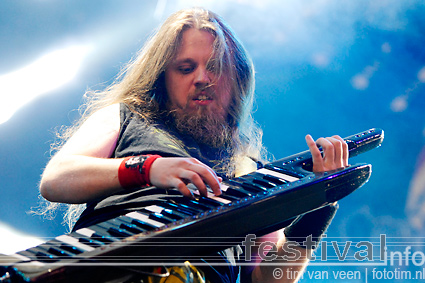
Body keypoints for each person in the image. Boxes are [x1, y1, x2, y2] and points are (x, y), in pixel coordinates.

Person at [39, 7, 348, 283]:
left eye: (214, 66)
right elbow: (57, 180)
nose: (202, 78)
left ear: (235, 78)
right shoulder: (126, 117)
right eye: (186, 68)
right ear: (163, 77)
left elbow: (268, 280)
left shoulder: (250, 171)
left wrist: (320, 204)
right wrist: (148, 168)